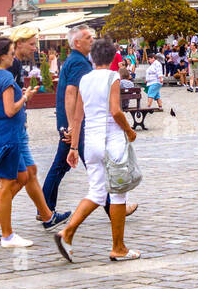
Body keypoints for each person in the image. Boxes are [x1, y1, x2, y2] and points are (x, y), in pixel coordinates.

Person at [54, 37, 140, 263]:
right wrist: (129, 131)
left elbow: (78, 116)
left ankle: (68, 232)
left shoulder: (84, 80)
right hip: (111, 140)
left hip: (90, 142)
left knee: (96, 192)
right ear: (113, 58)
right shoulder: (112, 77)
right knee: (118, 193)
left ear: (92, 57)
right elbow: (115, 111)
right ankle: (118, 247)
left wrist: (74, 147)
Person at [0, 37, 38, 248]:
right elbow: (10, 110)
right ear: (2, 56)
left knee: (22, 176)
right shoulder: (6, 78)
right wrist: (25, 97)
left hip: (1, 133)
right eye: (12, 53)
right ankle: (7, 236)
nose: (14, 57)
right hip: (7, 135)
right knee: (6, 184)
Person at [42, 27, 96, 213]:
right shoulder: (79, 63)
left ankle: (45, 209)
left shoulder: (74, 60)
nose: (92, 39)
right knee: (95, 167)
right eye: (88, 37)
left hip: (69, 123)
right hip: (74, 124)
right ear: (77, 43)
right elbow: (71, 94)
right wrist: (74, 126)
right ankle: (115, 205)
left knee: (61, 166)